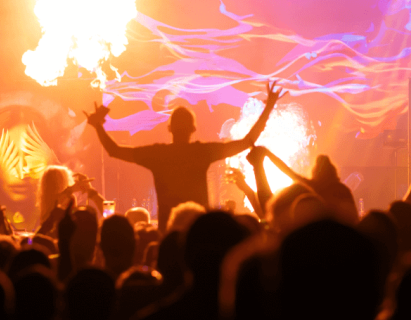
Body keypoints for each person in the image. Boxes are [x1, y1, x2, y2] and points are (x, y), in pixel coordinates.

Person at [85, 81, 285, 230]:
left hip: (168, 232)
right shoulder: (201, 152)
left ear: (169, 128)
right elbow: (247, 141)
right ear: (193, 128)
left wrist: (98, 127)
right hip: (199, 233)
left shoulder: (158, 154)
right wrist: (268, 107)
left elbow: (114, 151)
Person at [247, 147, 358, 225]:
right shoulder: (343, 190)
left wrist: (267, 155)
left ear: (315, 172)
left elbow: (287, 171)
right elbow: (354, 216)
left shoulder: (313, 187)